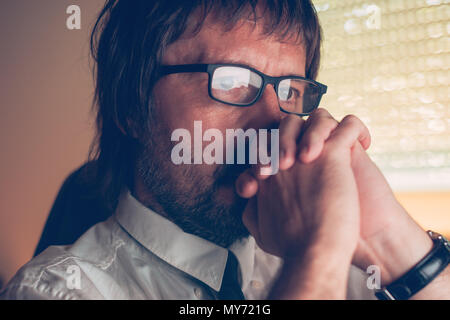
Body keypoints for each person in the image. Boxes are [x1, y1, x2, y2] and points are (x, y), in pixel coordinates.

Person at [1, 0, 448, 300]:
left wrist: (392, 242)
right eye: (233, 83)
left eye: (291, 89)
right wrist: (317, 256)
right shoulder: (58, 290)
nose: (275, 122)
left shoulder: (350, 263)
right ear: (131, 108)